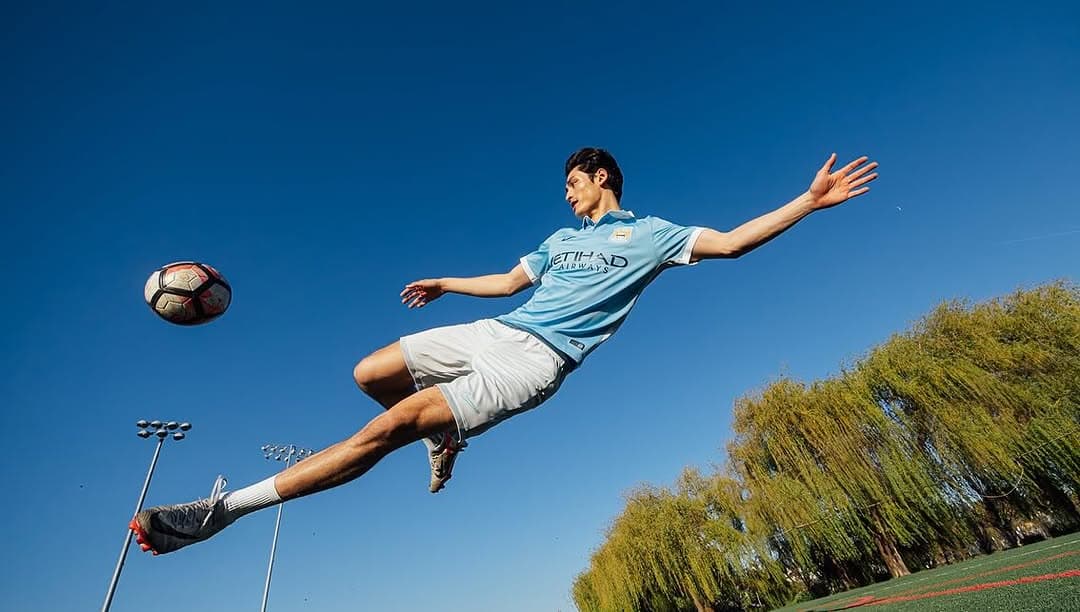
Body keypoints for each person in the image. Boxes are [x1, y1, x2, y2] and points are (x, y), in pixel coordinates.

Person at [131, 147, 878, 555]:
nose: (566, 196)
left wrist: (807, 202)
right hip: (497, 331)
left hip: (533, 362)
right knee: (370, 374)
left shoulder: (653, 235)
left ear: (602, 179)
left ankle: (222, 512)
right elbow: (510, 279)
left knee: (389, 428)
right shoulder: (559, 241)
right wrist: (447, 283)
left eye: (573, 184)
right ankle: (444, 433)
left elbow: (735, 243)